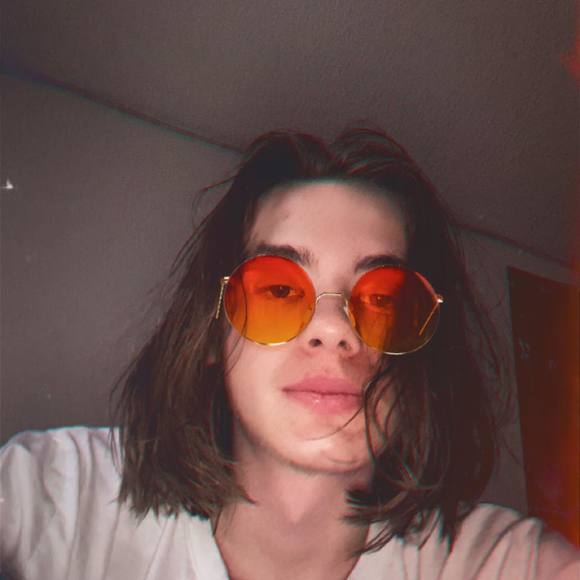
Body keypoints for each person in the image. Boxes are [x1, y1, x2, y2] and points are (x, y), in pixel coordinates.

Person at [1, 128, 578, 579]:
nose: (334, 330)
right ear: (213, 333)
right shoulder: (53, 499)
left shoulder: (501, 564)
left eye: (383, 299)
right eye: (278, 289)